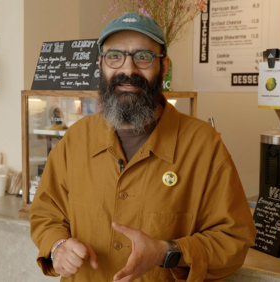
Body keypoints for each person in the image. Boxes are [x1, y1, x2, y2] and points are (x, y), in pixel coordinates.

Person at [30, 12, 256, 282]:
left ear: (164, 66)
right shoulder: (76, 138)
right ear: (101, 64)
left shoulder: (204, 145)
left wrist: (168, 251)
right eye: (115, 56)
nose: (128, 70)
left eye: (143, 57)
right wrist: (58, 246)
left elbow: (233, 240)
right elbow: (46, 213)